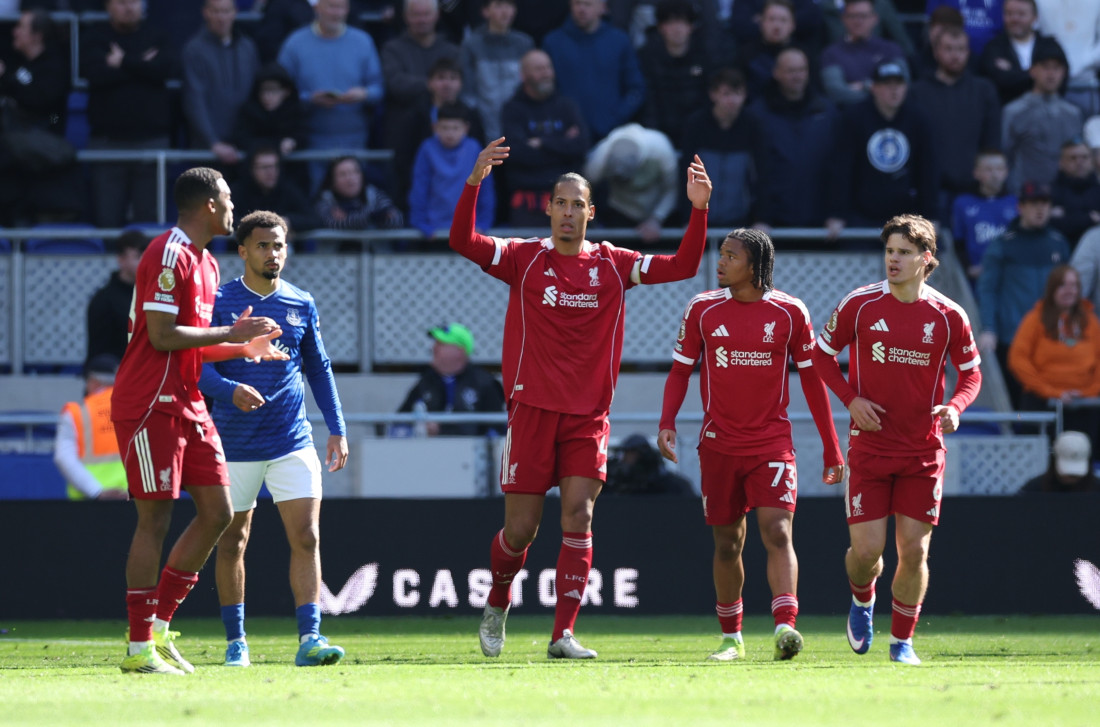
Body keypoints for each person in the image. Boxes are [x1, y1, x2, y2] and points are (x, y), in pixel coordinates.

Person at [454, 138, 711, 659]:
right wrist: (474, 180)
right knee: (520, 531)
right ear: (548, 208)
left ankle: (562, 634)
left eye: (579, 204)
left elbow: (683, 265)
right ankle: (498, 600)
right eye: (561, 203)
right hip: (531, 411)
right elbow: (463, 239)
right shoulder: (524, 257)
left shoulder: (614, 264)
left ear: (592, 212)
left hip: (588, 415)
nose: (569, 213)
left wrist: (699, 209)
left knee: (580, 517)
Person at [111, 167, 288, 675]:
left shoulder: (206, 263)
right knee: (156, 519)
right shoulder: (168, 254)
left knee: (218, 512)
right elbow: (163, 336)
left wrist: (240, 346)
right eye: (229, 198)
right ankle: (138, 647)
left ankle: (160, 629)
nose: (234, 207)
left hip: (187, 399)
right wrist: (229, 331)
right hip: (150, 402)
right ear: (209, 205)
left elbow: (192, 340)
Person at [657, 227, 844, 662]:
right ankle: (731, 638)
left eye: (730, 256)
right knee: (728, 543)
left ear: (756, 265)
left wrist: (832, 446)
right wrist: (667, 422)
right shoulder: (702, 309)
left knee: (778, 531)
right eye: (720, 254)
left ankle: (785, 627)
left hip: (771, 444)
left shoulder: (790, 312)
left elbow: (814, 383)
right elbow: (680, 371)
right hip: (718, 446)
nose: (720, 262)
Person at [812, 214, 983, 666]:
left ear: (926, 259)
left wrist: (955, 407)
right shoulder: (861, 304)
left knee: (914, 551)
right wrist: (850, 400)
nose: (893, 259)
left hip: (923, 451)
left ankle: (902, 642)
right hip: (869, 448)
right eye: (889, 251)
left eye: (904, 252)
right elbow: (821, 355)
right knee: (867, 553)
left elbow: (972, 373)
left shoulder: (949, 315)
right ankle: (862, 599)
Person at [198, 210, 349, 668]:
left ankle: (310, 639)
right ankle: (236, 643)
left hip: (291, 440)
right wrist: (229, 390)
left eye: (278, 245)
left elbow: (318, 368)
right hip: (235, 444)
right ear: (243, 251)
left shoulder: (301, 301)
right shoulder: (220, 301)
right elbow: (196, 367)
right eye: (262, 245)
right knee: (233, 542)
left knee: (306, 537)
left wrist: (337, 428)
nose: (272, 253)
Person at [82, 0, 178, 228]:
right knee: (107, 220)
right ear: (108, 6)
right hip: (107, 143)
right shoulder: (94, 37)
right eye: (122, 2)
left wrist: (123, 61)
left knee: (150, 221)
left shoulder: (158, 35)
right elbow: (94, 74)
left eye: (134, 1)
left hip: (151, 141)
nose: (129, 7)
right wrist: (141, 65)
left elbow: (165, 70)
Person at [977, 181, 1071, 406]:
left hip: (1051, 338)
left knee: (1049, 401)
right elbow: (987, 289)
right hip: (1012, 337)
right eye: (1033, 204)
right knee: (1016, 401)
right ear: (1021, 207)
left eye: (1045, 204)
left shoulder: (1058, 243)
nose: (1040, 209)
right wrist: (989, 328)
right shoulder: (1003, 245)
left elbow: (1068, 293)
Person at [826, 59, 939, 240]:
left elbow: (927, 170)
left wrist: (931, 215)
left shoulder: (919, 119)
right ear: (874, 88)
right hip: (861, 216)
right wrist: (837, 214)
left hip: (906, 218)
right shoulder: (853, 118)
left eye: (899, 84)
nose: (894, 90)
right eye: (887, 84)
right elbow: (842, 169)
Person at [277, 0, 385, 185]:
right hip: (311, 140)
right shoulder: (295, 43)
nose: (336, 13)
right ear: (316, 7)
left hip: (356, 139)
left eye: (341, 7)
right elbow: (279, 91)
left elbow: (379, 88)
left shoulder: (363, 41)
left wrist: (364, 94)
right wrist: (309, 98)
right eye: (331, 6)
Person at [909, 25, 1001, 210]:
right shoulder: (917, 92)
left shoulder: (984, 90)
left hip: (975, 190)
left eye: (960, 49)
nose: (955, 55)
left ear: (968, 52)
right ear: (935, 52)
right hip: (931, 190)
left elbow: (992, 142)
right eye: (948, 49)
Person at [749, 47, 839, 230]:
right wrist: (761, 216)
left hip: (820, 222)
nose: (797, 76)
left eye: (801, 70)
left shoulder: (828, 112)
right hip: (772, 224)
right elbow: (754, 171)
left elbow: (837, 167)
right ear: (776, 73)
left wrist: (835, 213)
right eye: (791, 71)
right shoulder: (757, 114)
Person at [1008, 265, 1100, 444]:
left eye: (1074, 285)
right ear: (1052, 289)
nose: (1069, 291)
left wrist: (1089, 392)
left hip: (1085, 404)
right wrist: (1051, 392)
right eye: (1062, 285)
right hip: (1041, 402)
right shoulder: (1035, 319)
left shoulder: (1091, 322)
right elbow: (1018, 360)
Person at [499, 48, 589, 227]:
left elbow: (581, 146)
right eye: (539, 69)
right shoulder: (512, 110)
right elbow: (517, 154)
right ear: (524, 75)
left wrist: (541, 143)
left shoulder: (567, 106)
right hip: (527, 204)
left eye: (548, 68)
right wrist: (562, 145)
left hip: (569, 201)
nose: (546, 73)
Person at [542, 0, 646, 142]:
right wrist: (562, 123)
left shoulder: (619, 41)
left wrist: (615, 119)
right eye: (577, 4)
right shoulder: (553, 42)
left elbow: (636, 89)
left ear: (603, 8)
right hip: (565, 137)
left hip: (611, 136)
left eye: (587, 4)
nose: (582, 9)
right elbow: (544, 91)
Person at [679, 67, 762, 230]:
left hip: (740, 220)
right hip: (700, 217)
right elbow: (686, 174)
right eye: (726, 94)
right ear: (713, 95)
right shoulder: (696, 124)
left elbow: (761, 175)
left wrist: (761, 218)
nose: (732, 100)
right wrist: (686, 217)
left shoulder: (754, 126)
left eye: (737, 94)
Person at [181, 0, 260, 168]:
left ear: (235, 12)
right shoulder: (194, 50)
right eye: (216, 11)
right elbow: (194, 99)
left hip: (245, 145)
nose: (221, 17)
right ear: (205, 13)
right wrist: (212, 142)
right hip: (208, 150)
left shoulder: (248, 47)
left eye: (225, 11)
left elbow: (256, 93)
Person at [394, 323, 506, 436]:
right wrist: (419, 430)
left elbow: (497, 430)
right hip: (429, 451)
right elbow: (400, 422)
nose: (433, 348)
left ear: (460, 350)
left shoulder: (485, 383)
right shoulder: (426, 381)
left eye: (441, 344)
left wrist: (441, 430)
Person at [1002, 41, 1082, 193]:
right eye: (1045, 67)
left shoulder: (1073, 114)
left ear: (1063, 72)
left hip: (1063, 198)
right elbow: (1005, 157)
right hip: (1024, 197)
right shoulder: (1013, 112)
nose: (1051, 74)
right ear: (1032, 70)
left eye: (1056, 68)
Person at [381, 0, 461, 147]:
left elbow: (461, 85)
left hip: (449, 128)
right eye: (416, 14)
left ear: (437, 15)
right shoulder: (392, 49)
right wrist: (434, 85)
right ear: (405, 16)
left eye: (426, 14)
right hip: (404, 131)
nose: (422, 20)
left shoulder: (452, 51)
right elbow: (395, 84)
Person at [583, 123, 679, 245]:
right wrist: (591, 222)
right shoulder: (601, 155)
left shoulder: (661, 149)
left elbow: (673, 189)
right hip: (619, 211)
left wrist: (657, 218)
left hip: (658, 212)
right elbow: (584, 190)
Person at [409, 102, 493, 237]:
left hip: (470, 230)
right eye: (445, 128)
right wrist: (422, 225)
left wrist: (483, 224)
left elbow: (486, 190)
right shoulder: (427, 149)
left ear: (466, 128)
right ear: (435, 127)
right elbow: (419, 189)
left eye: (455, 128)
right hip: (434, 231)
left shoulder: (475, 149)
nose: (450, 133)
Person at [53, 354, 130, 501]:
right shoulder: (141, 409)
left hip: (88, 506)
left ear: (93, 381)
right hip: (135, 501)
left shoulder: (76, 413)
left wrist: (97, 491)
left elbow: (64, 458)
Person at [638, 0, 712, 145]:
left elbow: (707, 98)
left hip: (697, 134)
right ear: (661, 27)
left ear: (691, 27)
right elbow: (648, 103)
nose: (677, 29)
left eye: (682, 22)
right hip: (659, 135)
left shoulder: (703, 57)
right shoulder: (647, 58)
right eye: (670, 23)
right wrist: (654, 137)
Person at [459, 0, 534, 143]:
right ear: (485, 11)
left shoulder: (525, 43)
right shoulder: (471, 45)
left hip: (518, 123)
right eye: (499, 6)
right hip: (482, 122)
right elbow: (467, 90)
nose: (505, 11)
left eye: (509, 6)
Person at [820, 0, 905, 107]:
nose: (858, 21)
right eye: (852, 16)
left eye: (863, 16)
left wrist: (865, 86)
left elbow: (903, 86)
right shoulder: (831, 54)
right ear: (843, 19)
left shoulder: (891, 49)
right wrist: (882, 91)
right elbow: (836, 92)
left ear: (875, 18)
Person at [977, 0, 1064, 106]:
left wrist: (1014, 72)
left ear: (1035, 17)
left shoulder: (1050, 45)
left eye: (1021, 14)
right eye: (1009, 13)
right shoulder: (994, 47)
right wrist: (1037, 76)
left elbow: (1062, 77)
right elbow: (999, 80)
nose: (1015, 19)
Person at [950, 150, 1017, 284]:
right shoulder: (962, 204)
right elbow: (958, 243)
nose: (994, 174)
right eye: (988, 169)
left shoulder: (1016, 203)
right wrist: (968, 268)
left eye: (999, 169)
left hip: (1009, 278)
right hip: (975, 278)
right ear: (976, 173)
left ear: (1006, 172)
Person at [86, 230, 147, 366]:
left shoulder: (155, 296)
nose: (145, 262)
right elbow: (100, 354)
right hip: (115, 378)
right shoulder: (103, 301)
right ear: (121, 260)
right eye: (138, 256)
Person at [232, 148, 320, 236]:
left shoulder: (287, 189)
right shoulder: (238, 191)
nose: (271, 172)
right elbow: (227, 221)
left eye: (275, 166)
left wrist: (288, 222)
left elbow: (314, 219)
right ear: (252, 169)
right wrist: (260, 225)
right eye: (265, 167)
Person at [315, 155, 404, 230]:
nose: (350, 178)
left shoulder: (374, 195)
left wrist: (352, 216)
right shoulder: (325, 200)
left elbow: (397, 220)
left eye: (355, 172)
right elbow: (334, 223)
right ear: (332, 181)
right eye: (343, 174)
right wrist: (376, 216)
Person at [1050, 138, 1100, 247]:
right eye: (1073, 158)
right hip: (1061, 249)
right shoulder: (1051, 192)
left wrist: (1068, 216)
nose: (1079, 162)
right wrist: (1089, 218)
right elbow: (1052, 225)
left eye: (1084, 157)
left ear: (1092, 161)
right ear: (1061, 163)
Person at [1019, 430, 1100, 492]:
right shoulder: (1034, 489)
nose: (1071, 477)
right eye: (1068, 473)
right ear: (1054, 462)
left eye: (1075, 475)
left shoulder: (1097, 489)